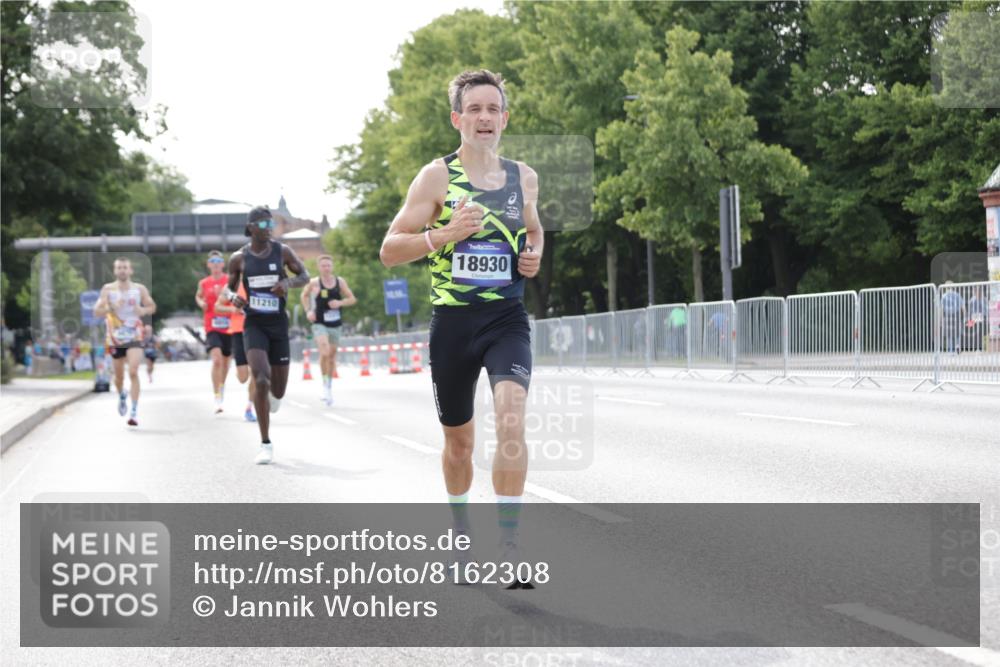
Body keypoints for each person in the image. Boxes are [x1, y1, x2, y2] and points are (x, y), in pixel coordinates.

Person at [379, 69, 543, 587]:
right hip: (452, 324)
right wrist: (444, 234)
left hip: (505, 319)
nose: (485, 117)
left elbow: (533, 230)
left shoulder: (524, 178)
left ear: (505, 118)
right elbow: (389, 250)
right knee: (459, 444)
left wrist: (533, 253)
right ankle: (459, 530)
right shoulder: (436, 178)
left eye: (493, 109)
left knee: (511, 418)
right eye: (474, 109)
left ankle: (511, 545)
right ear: (458, 119)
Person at [222, 206, 309, 464]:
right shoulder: (239, 258)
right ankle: (265, 443)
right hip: (254, 323)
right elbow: (227, 290)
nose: (268, 228)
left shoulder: (282, 251)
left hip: (278, 325)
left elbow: (304, 275)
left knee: (278, 391)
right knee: (260, 378)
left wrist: (287, 283)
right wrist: (234, 297)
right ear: (250, 227)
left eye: (270, 223)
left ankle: (274, 397)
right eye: (262, 224)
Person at [93, 257, 156, 427]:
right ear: (115, 271)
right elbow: (97, 311)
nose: (122, 270)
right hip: (115, 336)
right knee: (118, 377)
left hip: (134, 334)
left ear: (130, 271)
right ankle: (122, 394)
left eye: (125, 267)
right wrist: (111, 308)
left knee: (133, 371)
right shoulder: (108, 290)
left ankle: (134, 411)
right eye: (119, 267)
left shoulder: (139, 289)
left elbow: (152, 306)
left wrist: (142, 310)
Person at [301, 255, 357, 405]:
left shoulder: (340, 282)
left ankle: (329, 385)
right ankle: (324, 384)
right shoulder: (314, 282)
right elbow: (304, 296)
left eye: (328, 265)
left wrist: (340, 302)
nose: (326, 268)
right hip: (319, 322)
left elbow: (352, 299)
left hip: (335, 324)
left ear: (332, 267)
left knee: (331, 357)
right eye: (323, 265)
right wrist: (308, 311)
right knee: (324, 351)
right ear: (319, 267)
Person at [195, 250, 232, 413]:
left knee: (225, 362)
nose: (216, 265)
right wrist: (200, 302)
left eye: (219, 262)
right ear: (209, 265)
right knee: (216, 360)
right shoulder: (204, 283)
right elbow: (198, 296)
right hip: (212, 325)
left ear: (223, 264)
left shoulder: (229, 280)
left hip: (229, 324)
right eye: (213, 262)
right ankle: (217, 395)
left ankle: (221, 386)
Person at [216, 281, 257, 423]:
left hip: (258, 330)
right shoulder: (231, 286)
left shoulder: (260, 279)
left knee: (257, 372)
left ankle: (250, 407)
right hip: (238, 332)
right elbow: (217, 306)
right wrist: (233, 310)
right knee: (243, 377)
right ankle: (242, 371)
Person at [941, 281, 965, 354]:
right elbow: (963, 307)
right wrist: (965, 317)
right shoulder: (957, 295)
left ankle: (951, 350)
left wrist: (941, 319)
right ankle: (957, 347)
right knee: (957, 333)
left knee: (949, 334)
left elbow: (941, 309)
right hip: (956, 315)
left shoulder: (944, 296)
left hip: (948, 316)